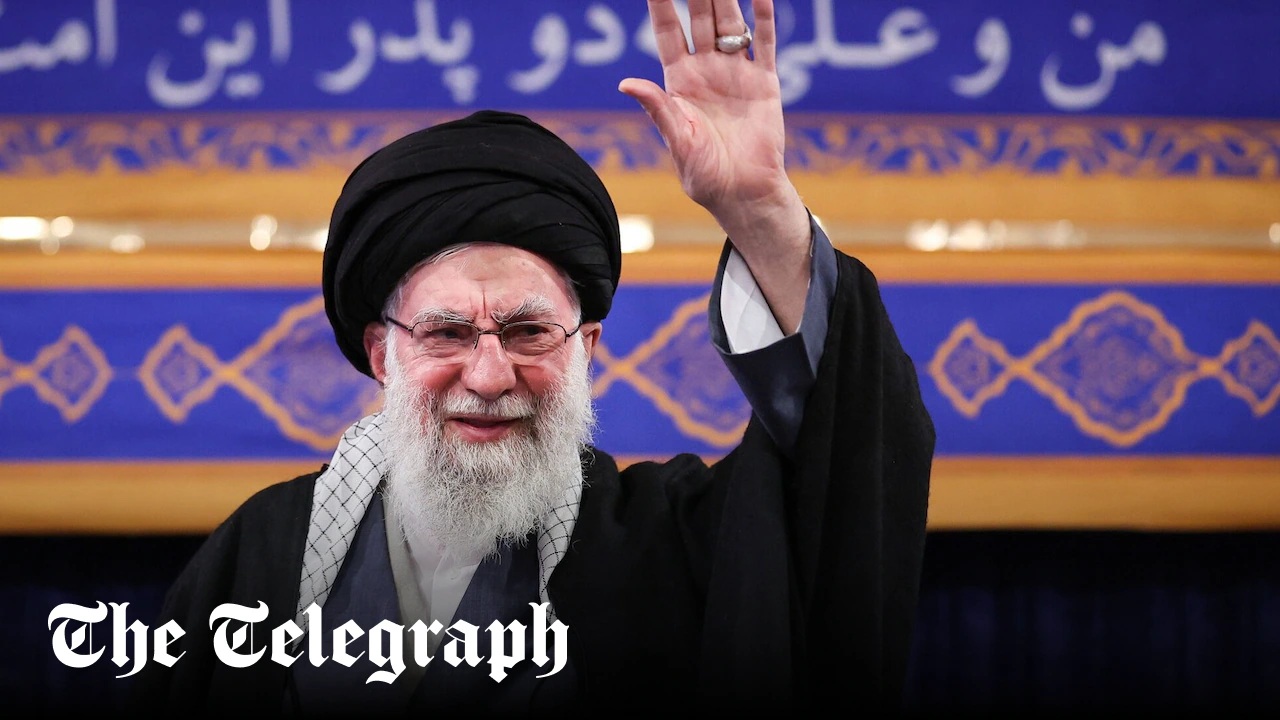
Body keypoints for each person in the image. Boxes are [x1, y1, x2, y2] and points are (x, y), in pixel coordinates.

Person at [131, 0, 934, 715]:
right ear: (382, 353)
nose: (489, 376)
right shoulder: (261, 558)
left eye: (528, 333)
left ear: (588, 350)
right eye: (447, 333)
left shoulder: (669, 546)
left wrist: (760, 213)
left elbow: (850, 461)